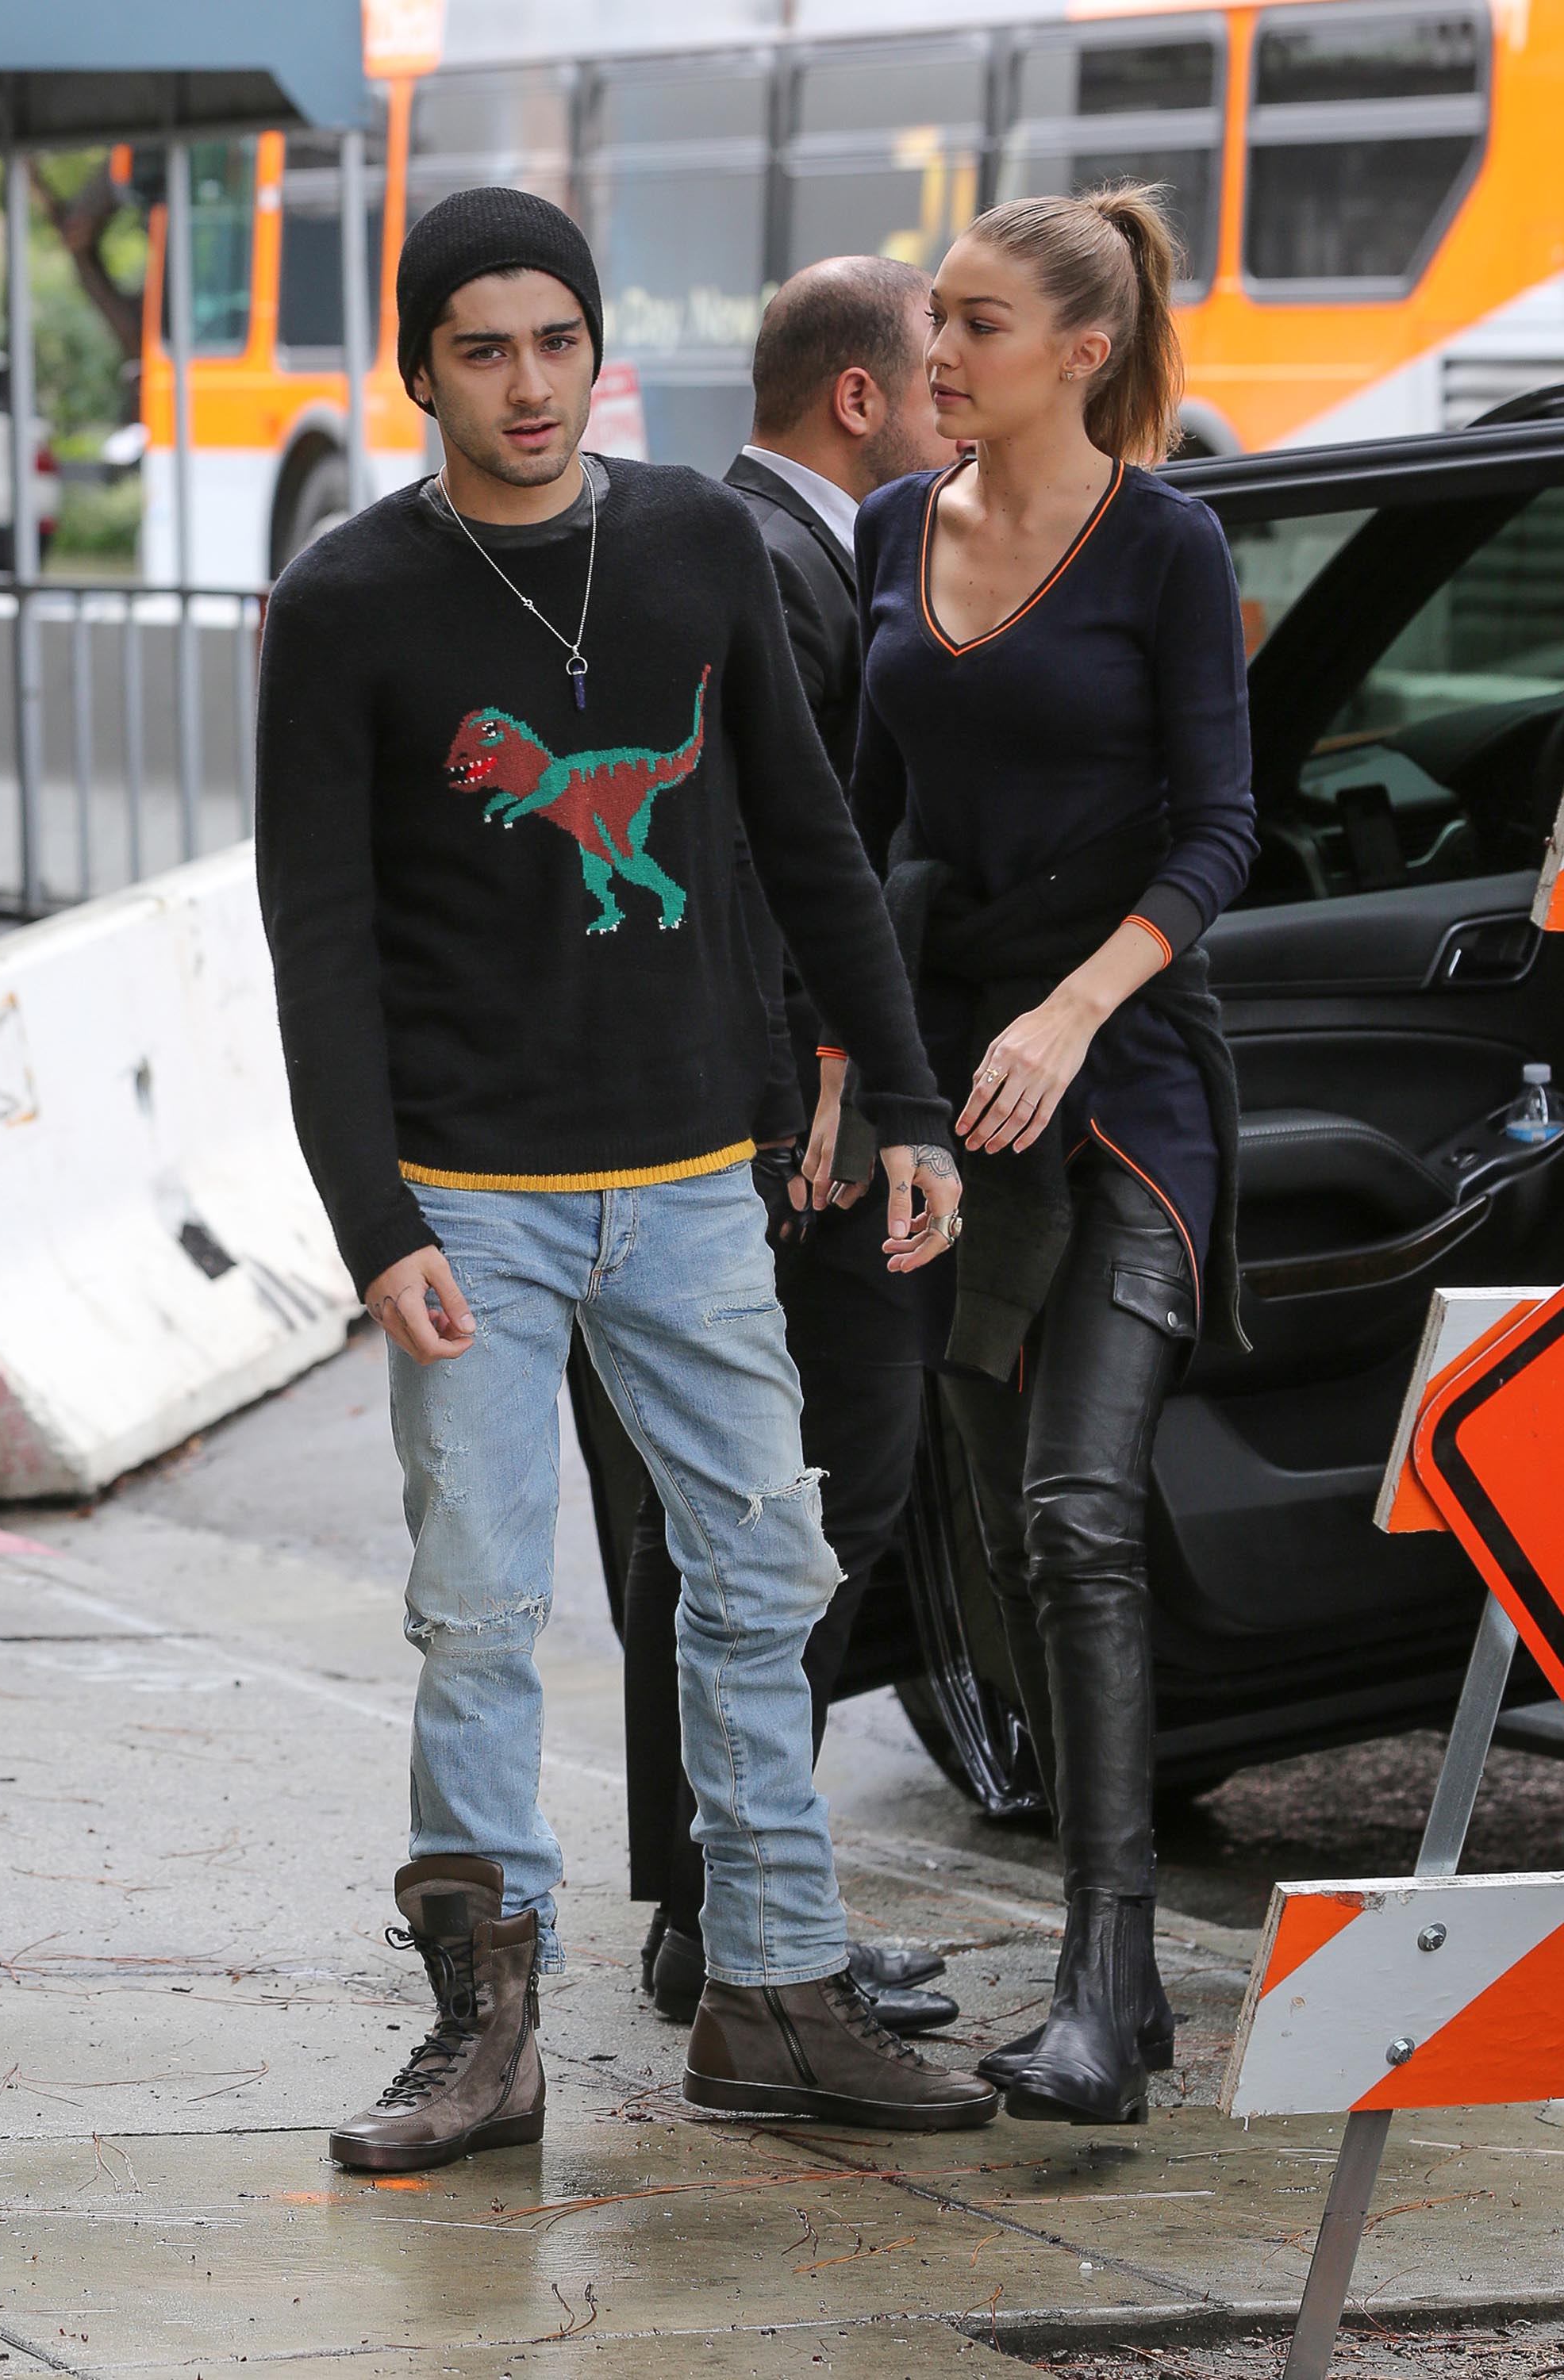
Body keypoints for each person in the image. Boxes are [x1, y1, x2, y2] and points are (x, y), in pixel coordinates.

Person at [255, 186, 998, 2172]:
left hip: (692, 1185)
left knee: (763, 1579)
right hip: (468, 1206)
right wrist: (373, 1222)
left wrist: (907, 1106)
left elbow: (810, 843)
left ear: (603, 353)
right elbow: (317, 937)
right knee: (480, 1613)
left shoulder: (685, 543)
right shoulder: (344, 604)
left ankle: (772, 1991)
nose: (524, 383)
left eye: (555, 342)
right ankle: (486, 2040)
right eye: (481, 348)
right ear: (420, 368)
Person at [846, 186, 1258, 2128]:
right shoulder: (879, 533)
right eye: (937, 317)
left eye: (979, 325)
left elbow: (1222, 835)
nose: (937, 353)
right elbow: (856, 831)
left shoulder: (1167, 547)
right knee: (1000, 1543)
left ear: (1081, 354)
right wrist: (850, 1066)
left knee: (1086, 1511)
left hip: (1122, 1082)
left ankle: (1111, 1981)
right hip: (947, 1104)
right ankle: (1102, 1977)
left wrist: (1073, 1009)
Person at [623, 256, 961, 2036]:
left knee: (759, 1517)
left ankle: (721, 1904)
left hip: (773, 1122)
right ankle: (733, 1912)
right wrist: (814, 1089)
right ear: (857, 397)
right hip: (790, 1143)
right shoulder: (770, 561)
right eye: (936, 369)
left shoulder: (792, 551)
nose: (952, 401)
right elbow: (753, 865)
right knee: (808, 1505)